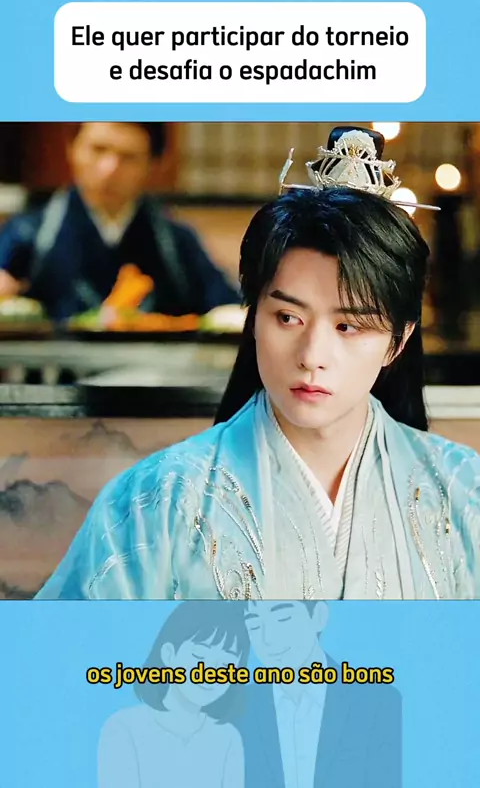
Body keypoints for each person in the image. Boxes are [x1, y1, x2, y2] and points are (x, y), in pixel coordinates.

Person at [34, 126, 480, 600]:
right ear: (253, 317)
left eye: (348, 327)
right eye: (287, 317)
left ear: (398, 341)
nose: (312, 356)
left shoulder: (464, 490)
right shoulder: (157, 499)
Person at [0, 122, 239, 320]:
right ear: (71, 148)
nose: (110, 169)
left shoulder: (175, 241)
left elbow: (225, 306)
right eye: (98, 150)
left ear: (153, 164)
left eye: (128, 157)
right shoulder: (30, 232)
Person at [234, 600, 401, 788]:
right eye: (254, 626)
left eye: (283, 618)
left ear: (319, 616)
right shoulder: (237, 709)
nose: (268, 639)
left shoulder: (377, 703)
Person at [98, 601, 247, 788]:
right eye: (199, 656)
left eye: (226, 665)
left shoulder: (228, 738)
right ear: (169, 654)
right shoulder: (123, 728)